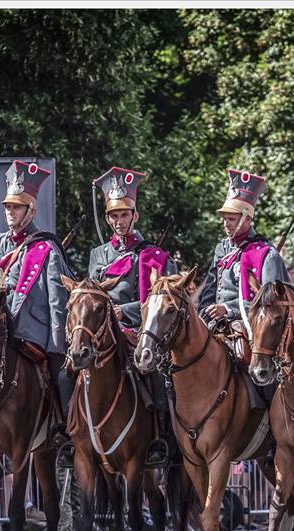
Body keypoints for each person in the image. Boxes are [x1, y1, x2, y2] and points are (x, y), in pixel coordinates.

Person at [0, 160, 74, 446]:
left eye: (16, 207)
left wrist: (58, 342)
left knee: (61, 376)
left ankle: (63, 428)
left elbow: (57, 298)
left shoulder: (47, 247)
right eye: (8, 207)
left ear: (31, 210)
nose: (10, 212)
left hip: (33, 330)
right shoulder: (0, 243)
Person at [84, 166, 177, 466]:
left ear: (135, 215)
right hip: (102, 332)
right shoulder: (98, 256)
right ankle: (75, 435)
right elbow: (91, 295)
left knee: (159, 378)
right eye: (113, 215)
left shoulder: (151, 255)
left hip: (140, 330)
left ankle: (161, 438)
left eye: (124, 214)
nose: (118, 221)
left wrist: (125, 310)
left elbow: (163, 301)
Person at [198, 169, 289, 330]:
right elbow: (209, 292)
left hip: (250, 326)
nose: (226, 224)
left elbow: (271, 301)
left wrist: (227, 309)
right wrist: (202, 318)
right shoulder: (222, 248)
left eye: (231, 219)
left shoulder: (267, 254)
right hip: (215, 325)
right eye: (225, 219)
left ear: (247, 219)